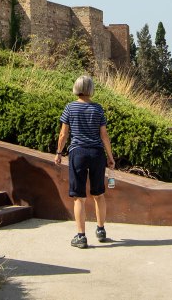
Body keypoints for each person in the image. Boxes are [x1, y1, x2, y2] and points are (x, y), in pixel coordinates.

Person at [54, 75, 116, 249]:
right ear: (91, 89)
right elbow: (104, 135)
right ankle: (101, 230)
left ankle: (81, 237)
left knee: (79, 197)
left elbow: (63, 134)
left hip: (78, 153)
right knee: (99, 194)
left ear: (76, 88)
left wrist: (59, 152)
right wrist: (110, 157)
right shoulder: (98, 109)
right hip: (97, 154)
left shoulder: (70, 108)